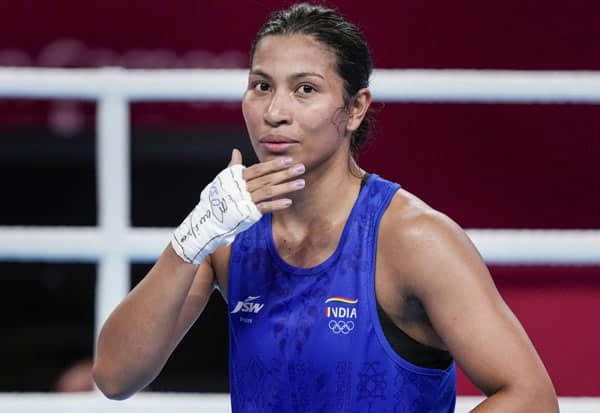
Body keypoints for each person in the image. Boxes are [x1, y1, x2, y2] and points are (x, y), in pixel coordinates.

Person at [93, 3, 558, 412]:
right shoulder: (229, 235)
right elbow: (115, 377)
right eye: (261, 86)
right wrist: (189, 240)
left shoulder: (413, 239)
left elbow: (530, 398)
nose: (275, 112)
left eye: (305, 89)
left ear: (355, 109)